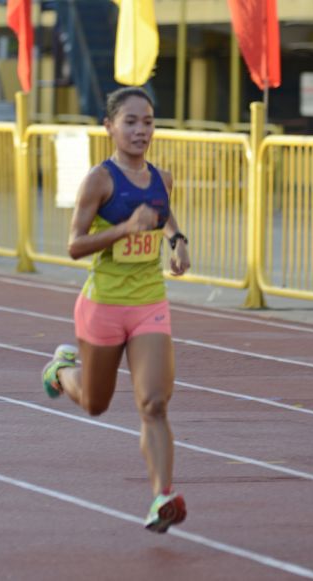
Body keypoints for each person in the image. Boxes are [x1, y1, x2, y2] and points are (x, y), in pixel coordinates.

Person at [42, 86, 190, 533]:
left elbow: (163, 214)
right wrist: (126, 228)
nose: (140, 130)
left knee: (155, 403)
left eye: (147, 121)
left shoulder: (162, 177)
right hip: (104, 306)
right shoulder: (99, 180)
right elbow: (74, 245)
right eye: (130, 122)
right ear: (109, 127)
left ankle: (160, 498)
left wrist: (177, 242)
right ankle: (61, 371)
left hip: (148, 303)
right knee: (94, 403)